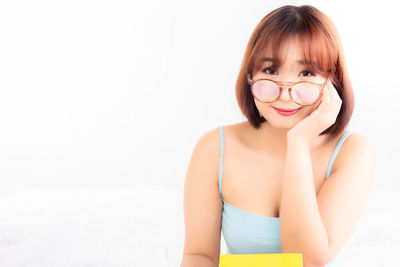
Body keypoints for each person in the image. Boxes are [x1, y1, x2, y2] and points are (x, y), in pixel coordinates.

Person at [180, 4, 376, 267]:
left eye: (306, 73)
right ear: (250, 75)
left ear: (332, 80)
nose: (285, 93)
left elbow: (305, 259)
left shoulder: (353, 152)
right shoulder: (214, 148)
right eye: (271, 71)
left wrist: (298, 143)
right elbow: (199, 255)